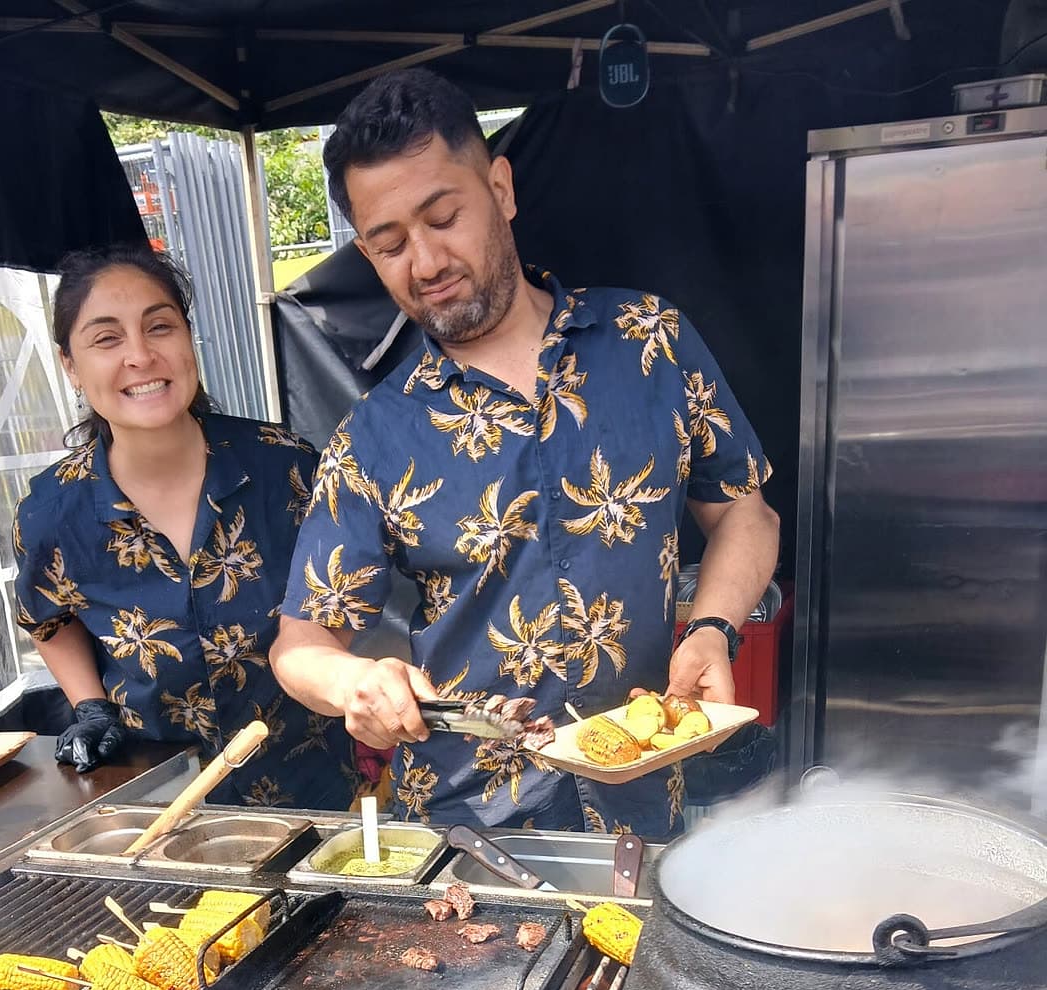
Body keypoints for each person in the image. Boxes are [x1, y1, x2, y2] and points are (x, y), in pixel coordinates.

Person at [270, 70, 779, 836]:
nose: (426, 261)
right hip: (463, 828)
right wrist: (354, 682)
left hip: (636, 804)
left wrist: (713, 628)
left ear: (501, 189)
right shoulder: (374, 436)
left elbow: (745, 511)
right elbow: (299, 645)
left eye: (444, 216)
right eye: (389, 244)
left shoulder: (649, 343)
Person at [14, 243, 355, 810]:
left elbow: (340, 592)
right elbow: (47, 617)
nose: (141, 355)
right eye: (106, 338)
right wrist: (89, 705)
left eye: (160, 327)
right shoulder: (53, 511)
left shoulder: (286, 467)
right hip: (163, 802)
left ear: (188, 339)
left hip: (312, 789)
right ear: (70, 365)